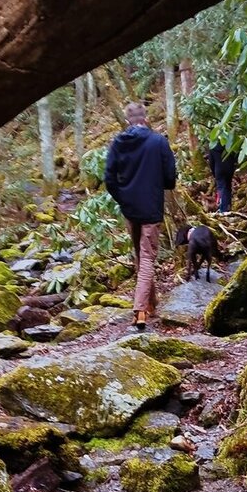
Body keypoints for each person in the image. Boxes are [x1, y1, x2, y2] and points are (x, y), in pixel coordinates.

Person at [104, 102, 177, 330]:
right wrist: (158, 186)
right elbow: (170, 176)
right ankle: (140, 310)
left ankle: (150, 303)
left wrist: (122, 197)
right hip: (151, 208)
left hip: (130, 208)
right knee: (147, 258)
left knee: (140, 255)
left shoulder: (118, 143)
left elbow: (109, 177)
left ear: (128, 120)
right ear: (145, 118)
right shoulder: (158, 141)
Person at [206, 142, 237, 213]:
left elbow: (211, 161)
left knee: (221, 188)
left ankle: (223, 208)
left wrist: (214, 172)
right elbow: (234, 157)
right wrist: (233, 166)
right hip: (229, 168)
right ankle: (228, 205)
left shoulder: (212, 146)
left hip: (218, 169)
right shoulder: (229, 144)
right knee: (228, 187)